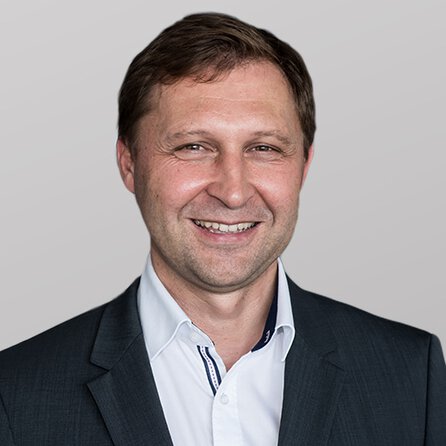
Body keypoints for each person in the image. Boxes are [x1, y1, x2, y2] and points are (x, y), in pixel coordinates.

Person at [0, 12, 445, 445]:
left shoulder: (412, 377)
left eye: (264, 148)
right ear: (129, 163)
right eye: (194, 146)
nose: (232, 192)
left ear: (304, 167)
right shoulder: (15, 394)